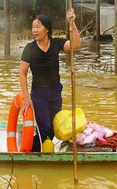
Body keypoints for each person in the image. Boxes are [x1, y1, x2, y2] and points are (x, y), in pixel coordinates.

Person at [20, 9, 81, 152]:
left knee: (54, 126)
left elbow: (76, 44)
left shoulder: (55, 44)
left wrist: (72, 23)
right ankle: (32, 152)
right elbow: (22, 74)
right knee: (44, 126)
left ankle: (41, 149)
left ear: (46, 29)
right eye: (33, 27)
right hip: (39, 93)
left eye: (38, 27)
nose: (35, 30)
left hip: (55, 91)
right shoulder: (30, 49)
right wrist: (26, 98)